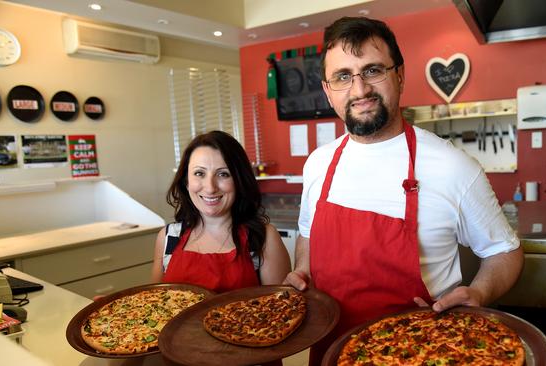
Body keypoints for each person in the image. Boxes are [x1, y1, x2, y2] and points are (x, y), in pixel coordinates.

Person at [283, 17, 524, 364]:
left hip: (419, 350)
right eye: (343, 76)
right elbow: (307, 234)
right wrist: (303, 271)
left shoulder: (453, 167)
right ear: (328, 90)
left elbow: (506, 251)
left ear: (399, 75)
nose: (360, 89)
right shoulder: (317, 164)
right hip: (330, 351)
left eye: (372, 70)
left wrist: (480, 291)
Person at [151, 130, 291, 297]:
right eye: (199, 173)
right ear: (186, 182)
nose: (210, 187)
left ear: (239, 181)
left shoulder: (262, 238)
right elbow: (156, 305)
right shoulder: (167, 238)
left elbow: (281, 312)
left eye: (223, 174)